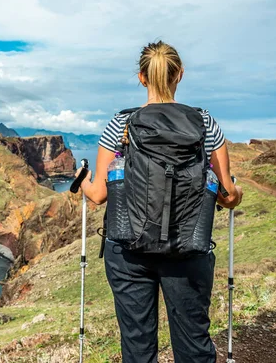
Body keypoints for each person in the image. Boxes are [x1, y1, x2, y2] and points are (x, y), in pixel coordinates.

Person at [75, 41, 243, 363]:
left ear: (141, 77)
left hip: (128, 249)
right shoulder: (204, 123)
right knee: (193, 345)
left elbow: (98, 195)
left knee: (138, 347)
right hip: (188, 249)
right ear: (180, 74)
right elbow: (226, 195)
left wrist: (81, 178)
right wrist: (237, 192)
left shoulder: (121, 123)